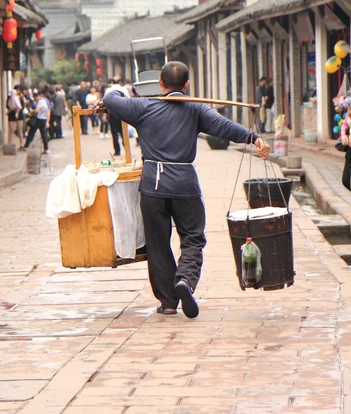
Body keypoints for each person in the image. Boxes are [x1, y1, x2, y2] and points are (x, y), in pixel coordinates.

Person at [103, 61, 270, 319]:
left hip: (153, 186)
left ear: (160, 83)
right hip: (184, 184)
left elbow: (110, 99)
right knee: (193, 237)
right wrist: (254, 137)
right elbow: (223, 125)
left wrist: (119, 90)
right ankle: (185, 280)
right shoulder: (195, 109)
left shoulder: (142, 106)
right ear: (187, 84)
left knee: (158, 244)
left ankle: (168, 302)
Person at [24, 89, 51, 154]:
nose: (35, 100)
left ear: (37, 96)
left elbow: (37, 110)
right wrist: (47, 121)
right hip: (44, 119)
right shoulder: (45, 101)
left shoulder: (40, 101)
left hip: (38, 119)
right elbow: (48, 111)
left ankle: (26, 146)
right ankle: (46, 148)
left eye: (35, 98)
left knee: (32, 132)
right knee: (44, 134)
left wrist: (31, 112)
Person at [108, 76, 129, 156]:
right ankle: (127, 149)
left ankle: (117, 151)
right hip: (122, 113)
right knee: (124, 133)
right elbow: (128, 100)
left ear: (112, 82)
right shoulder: (123, 89)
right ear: (120, 82)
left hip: (112, 114)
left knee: (114, 134)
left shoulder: (109, 90)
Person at [7, 85, 25, 150]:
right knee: (12, 129)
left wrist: (17, 109)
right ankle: (10, 144)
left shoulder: (20, 97)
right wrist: (13, 108)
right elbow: (7, 105)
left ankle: (21, 144)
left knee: (20, 129)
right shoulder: (10, 97)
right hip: (12, 114)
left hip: (19, 115)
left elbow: (23, 106)